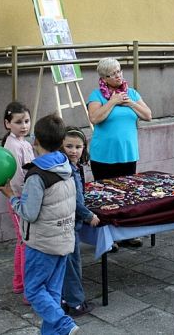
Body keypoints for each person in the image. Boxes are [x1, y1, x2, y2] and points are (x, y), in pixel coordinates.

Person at [0, 114, 79, 335]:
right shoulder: (66, 166)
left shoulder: (36, 175)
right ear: (61, 142)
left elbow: (28, 213)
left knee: (33, 291)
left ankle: (64, 324)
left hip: (42, 244)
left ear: (35, 141)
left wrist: (10, 195)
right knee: (52, 293)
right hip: (63, 240)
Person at [87, 57, 152, 247]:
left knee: (127, 195)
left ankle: (126, 233)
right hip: (103, 156)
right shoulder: (97, 95)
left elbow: (148, 115)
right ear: (104, 78)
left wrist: (130, 103)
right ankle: (107, 238)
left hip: (127, 154)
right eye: (113, 74)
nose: (118, 76)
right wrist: (113, 101)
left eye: (119, 71)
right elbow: (95, 118)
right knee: (105, 196)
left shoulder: (131, 93)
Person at [61, 127, 100, 317]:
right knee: (72, 264)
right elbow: (72, 200)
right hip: (69, 223)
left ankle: (64, 299)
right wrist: (88, 215)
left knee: (67, 263)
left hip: (68, 223)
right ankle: (76, 303)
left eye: (78, 147)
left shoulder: (74, 167)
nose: (74, 151)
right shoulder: (67, 170)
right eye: (69, 146)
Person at [1, 101, 35, 297]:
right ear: (8, 124)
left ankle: (20, 283)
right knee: (25, 242)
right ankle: (28, 288)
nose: (24, 126)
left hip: (23, 196)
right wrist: (25, 197)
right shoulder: (13, 145)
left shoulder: (23, 142)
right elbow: (17, 178)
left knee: (22, 241)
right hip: (20, 198)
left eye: (27, 121)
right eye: (18, 122)